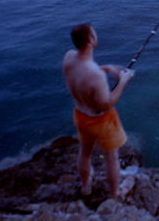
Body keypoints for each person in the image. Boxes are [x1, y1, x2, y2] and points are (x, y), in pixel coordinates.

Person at [62, 23, 135, 198]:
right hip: (101, 121)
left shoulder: (69, 57)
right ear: (91, 41)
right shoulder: (95, 75)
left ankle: (86, 187)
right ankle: (116, 193)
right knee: (111, 158)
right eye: (94, 34)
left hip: (80, 115)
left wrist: (106, 67)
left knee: (84, 152)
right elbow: (106, 104)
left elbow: (82, 73)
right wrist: (124, 80)